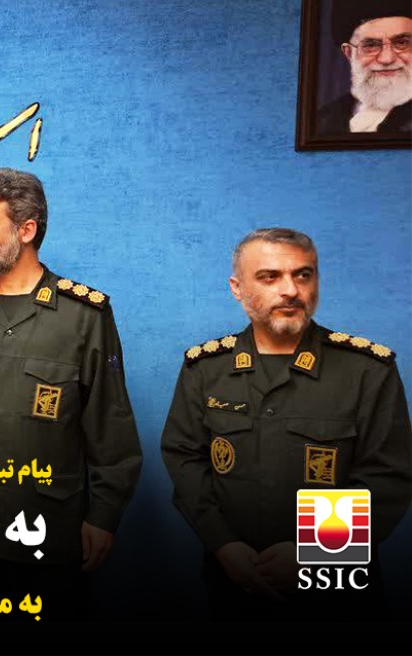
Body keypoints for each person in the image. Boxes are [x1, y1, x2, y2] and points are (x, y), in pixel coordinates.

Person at [0, 167, 142, 619]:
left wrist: (104, 515)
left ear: (26, 229)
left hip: (51, 531)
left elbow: (110, 424)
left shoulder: (84, 316)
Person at [161, 228, 411, 620]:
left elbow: (387, 478)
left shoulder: (367, 371)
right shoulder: (206, 370)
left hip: (337, 590)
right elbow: (185, 459)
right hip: (236, 580)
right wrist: (223, 544)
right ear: (237, 288)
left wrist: (313, 552)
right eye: (269, 277)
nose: (291, 290)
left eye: (303, 275)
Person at [316, 0, 412, 134]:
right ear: (349, 53)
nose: (386, 58)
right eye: (371, 45)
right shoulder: (323, 121)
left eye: (402, 43)